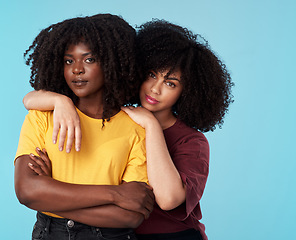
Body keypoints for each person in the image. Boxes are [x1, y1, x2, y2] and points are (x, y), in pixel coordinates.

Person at [24, 19, 234, 240]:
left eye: (170, 83)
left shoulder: (191, 141)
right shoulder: (122, 117)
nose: (155, 88)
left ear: (188, 92)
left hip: (173, 235)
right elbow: (29, 99)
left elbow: (168, 199)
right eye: (152, 75)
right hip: (121, 233)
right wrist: (60, 102)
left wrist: (151, 126)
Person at [14, 14, 155, 240]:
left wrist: (50, 194)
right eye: (69, 60)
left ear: (112, 62)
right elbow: (27, 191)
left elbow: (131, 215)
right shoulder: (42, 116)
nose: (76, 69)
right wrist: (116, 193)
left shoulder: (135, 127)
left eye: (89, 60)